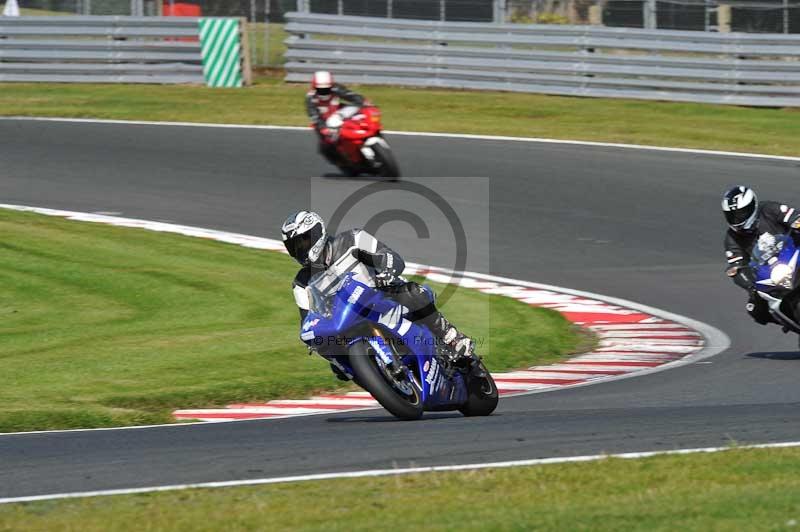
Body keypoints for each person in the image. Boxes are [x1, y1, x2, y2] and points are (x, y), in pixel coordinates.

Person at [281, 210, 477, 379]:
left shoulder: (354, 238)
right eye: (294, 246)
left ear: (317, 232)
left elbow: (392, 257)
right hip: (348, 321)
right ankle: (378, 378)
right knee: (332, 356)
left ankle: (452, 338)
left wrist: (385, 271)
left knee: (412, 293)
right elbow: (307, 323)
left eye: (303, 241)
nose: (300, 249)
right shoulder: (301, 283)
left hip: (382, 297)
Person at [722, 185, 800, 325]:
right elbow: (737, 266)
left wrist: (796, 223)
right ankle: (791, 323)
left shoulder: (770, 209)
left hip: (793, 253)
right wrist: (750, 286)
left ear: (752, 206)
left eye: (740, 213)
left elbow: (794, 216)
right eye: (732, 215)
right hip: (769, 274)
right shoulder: (731, 238)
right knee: (755, 309)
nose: (736, 219)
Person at [305, 71, 365, 167]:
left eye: (326, 89)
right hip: (323, 122)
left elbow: (350, 95)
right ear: (314, 87)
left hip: (340, 114)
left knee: (362, 118)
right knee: (326, 146)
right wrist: (323, 128)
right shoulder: (310, 98)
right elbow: (313, 115)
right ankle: (344, 163)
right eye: (320, 89)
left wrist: (361, 100)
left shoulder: (336, 88)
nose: (323, 91)